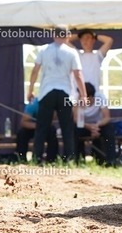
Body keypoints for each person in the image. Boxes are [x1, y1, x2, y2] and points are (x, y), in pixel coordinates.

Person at [28, 25, 87, 163]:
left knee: (42, 127)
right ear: (67, 36)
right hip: (65, 93)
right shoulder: (72, 52)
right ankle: (70, 159)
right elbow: (78, 75)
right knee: (67, 128)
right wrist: (83, 95)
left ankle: (37, 158)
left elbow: (35, 70)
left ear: (53, 35)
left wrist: (30, 90)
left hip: (46, 92)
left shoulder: (44, 49)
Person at [73, 82, 117, 166]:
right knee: (73, 130)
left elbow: (107, 117)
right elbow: (76, 119)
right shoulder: (77, 99)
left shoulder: (100, 97)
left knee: (109, 130)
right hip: (83, 125)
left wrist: (96, 126)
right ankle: (76, 160)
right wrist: (89, 126)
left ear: (90, 97)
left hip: (98, 125)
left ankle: (111, 160)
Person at [15, 97, 59, 163]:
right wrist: (38, 126)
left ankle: (51, 160)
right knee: (21, 133)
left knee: (52, 132)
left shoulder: (52, 104)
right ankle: (21, 159)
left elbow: (53, 120)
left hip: (46, 127)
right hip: (32, 127)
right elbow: (23, 122)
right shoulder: (33, 105)